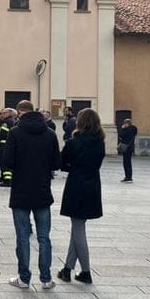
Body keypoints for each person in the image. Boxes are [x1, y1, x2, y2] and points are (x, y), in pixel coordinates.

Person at [0, 100, 61, 289]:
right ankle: (46, 278)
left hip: (20, 190)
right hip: (42, 190)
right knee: (44, 237)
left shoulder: (15, 133)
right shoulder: (50, 133)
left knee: (23, 236)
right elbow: (56, 163)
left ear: (19, 112)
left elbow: (7, 161)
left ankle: (24, 278)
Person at [57, 108, 105, 284]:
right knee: (77, 229)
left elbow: (62, 164)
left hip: (76, 186)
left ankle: (86, 271)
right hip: (92, 185)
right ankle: (67, 269)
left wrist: (72, 166)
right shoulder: (100, 142)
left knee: (78, 230)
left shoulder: (74, 142)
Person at [0, 108, 16, 185]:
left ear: (9, 113)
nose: (2, 114)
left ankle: (7, 180)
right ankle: (3, 177)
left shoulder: (8, 122)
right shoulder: (7, 121)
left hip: (4, 144)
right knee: (1, 162)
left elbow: (3, 134)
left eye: (4, 113)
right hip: (3, 144)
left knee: (4, 163)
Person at [118, 118, 138, 183]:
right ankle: (127, 177)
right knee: (127, 163)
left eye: (125, 123)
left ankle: (128, 177)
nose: (124, 124)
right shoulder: (133, 129)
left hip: (127, 147)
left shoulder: (129, 130)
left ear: (128, 123)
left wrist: (123, 129)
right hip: (128, 147)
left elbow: (121, 135)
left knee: (127, 163)